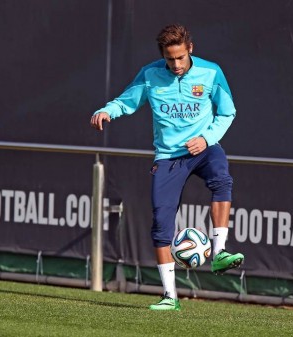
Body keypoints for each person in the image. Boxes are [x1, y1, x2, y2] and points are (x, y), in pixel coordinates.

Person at [90, 24, 244, 311]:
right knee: (161, 223)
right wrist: (107, 111)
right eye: (170, 59)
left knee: (222, 179)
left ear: (190, 50)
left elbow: (227, 112)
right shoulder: (150, 75)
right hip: (168, 157)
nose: (175, 64)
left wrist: (206, 138)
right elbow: (128, 101)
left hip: (203, 148)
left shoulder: (211, 73)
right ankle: (170, 297)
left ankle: (220, 251)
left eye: (180, 58)